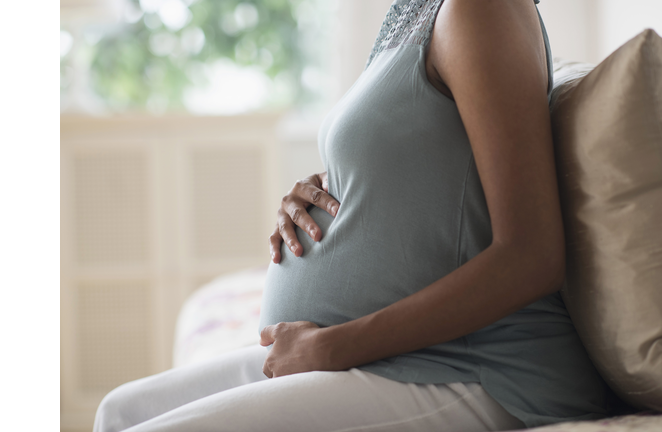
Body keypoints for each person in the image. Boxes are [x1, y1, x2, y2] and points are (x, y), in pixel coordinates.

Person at [93, 1, 610, 431]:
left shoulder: (482, 9)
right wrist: (320, 189)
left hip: (474, 368)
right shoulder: (414, 13)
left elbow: (533, 254)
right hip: (388, 356)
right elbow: (421, 171)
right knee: (118, 412)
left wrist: (334, 346)